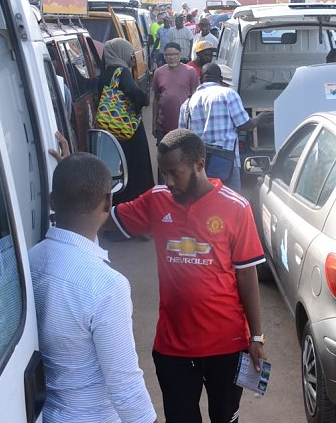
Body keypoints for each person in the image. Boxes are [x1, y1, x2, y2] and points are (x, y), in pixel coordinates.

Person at [106, 129, 267, 423]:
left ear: (199, 164)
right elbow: (103, 217)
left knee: (225, 417)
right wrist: (71, 171)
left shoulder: (236, 208)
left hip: (227, 346)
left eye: (175, 173)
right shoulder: (157, 200)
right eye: (163, 173)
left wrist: (256, 336)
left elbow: (246, 275)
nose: (168, 182)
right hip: (172, 348)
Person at [30, 153, 157, 423]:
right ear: (109, 201)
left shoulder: (29, 260)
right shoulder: (106, 286)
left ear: (52, 200)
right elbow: (124, 384)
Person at [178, 63, 272, 191]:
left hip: (198, 164)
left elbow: (182, 136)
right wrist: (258, 119)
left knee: (203, 202)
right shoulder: (228, 94)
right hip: (226, 162)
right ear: (220, 78)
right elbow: (244, 124)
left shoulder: (187, 103)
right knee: (230, 203)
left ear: (200, 79)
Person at [99, 38, 153, 203]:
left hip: (110, 128)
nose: (131, 57)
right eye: (129, 52)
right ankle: (137, 201)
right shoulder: (121, 72)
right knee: (135, 163)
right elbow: (134, 94)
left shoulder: (105, 73)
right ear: (120, 52)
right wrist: (145, 99)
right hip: (127, 128)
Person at [152, 42, 199, 143]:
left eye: (175, 54)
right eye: (168, 55)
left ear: (180, 55)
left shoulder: (191, 72)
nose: (172, 57)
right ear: (164, 56)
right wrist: (154, 124)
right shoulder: (158, 72)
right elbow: (156, 99)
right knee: (164, 156)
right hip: (163, 126)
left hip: (184, 126)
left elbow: (196, 99)